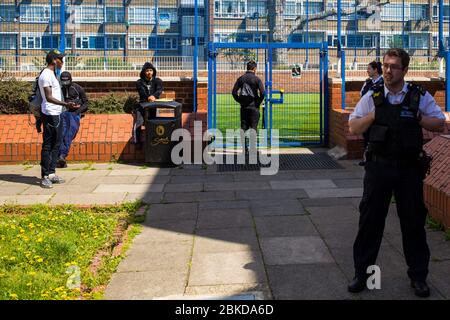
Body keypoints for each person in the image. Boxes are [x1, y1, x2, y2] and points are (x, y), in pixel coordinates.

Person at [348, 48, 445, 298]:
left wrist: (419, 117)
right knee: (370, 222)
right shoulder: (373, 95)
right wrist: (373, 115)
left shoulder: (417, 96)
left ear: (405, 70)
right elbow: (354, 125)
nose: (388, 70)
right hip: (378, 168)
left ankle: (418, 277)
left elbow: (439, 123)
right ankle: (363, 275)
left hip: (408, 169)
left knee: (413, 223)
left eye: (394, 66)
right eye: (386, 65)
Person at [38, 49, 77, 188]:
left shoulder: (52, 74)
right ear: (54, 60)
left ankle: (51, 173)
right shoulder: (46, 75)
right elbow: (48, 97)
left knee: (56, 143)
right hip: (50, 114)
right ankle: (44, 176)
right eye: (61, 59)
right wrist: (66, 104)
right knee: (48, 144)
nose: (62, 61)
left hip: (57, 113)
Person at [232, 61, 265, 154]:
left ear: (247, 68)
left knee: (243, 127)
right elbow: (263, 93)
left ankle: (244, 149)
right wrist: (258, 102)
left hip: (244, 107)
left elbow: (234, 92)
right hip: (254, 107)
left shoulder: (241, 79)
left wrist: (240, 100)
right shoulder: (257, 79)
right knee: (253, 127)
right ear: (254, 69)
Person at [56, 71, 88, 168]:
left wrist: (77, 111)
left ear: (71, 80)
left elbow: (86, 103)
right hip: (62, 113)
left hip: (74, 114)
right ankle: (61, 156)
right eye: (63, 82)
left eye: (67, 81)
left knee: (70, 133)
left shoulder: (78, 88)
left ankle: (62, 155)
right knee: (62, 133)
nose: (65, 84)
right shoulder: (58, 89)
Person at [359, 61, 384, 166]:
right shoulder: (367, 82)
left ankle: (378, 159)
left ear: (376, 70)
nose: (367, 70)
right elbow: (361, 95)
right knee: (367, 137)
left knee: (378, 137)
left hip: (378, 116)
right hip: (367, 116)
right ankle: (367, 159)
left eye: (369, 68)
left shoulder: (384, 83)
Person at [134, 62, 163, 145]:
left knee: (154, 124)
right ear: (144, 72)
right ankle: (137, 142)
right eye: (147, 71)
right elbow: (141, 92)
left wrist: (154, 96)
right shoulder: (139, 82)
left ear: (153, 71)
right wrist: (148, 97)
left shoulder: (158, 81)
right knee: (139, 123)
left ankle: (154, 142)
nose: (149, 72)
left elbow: (159, 90)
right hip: (142, 106)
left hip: (153, 106)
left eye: (151, 70)